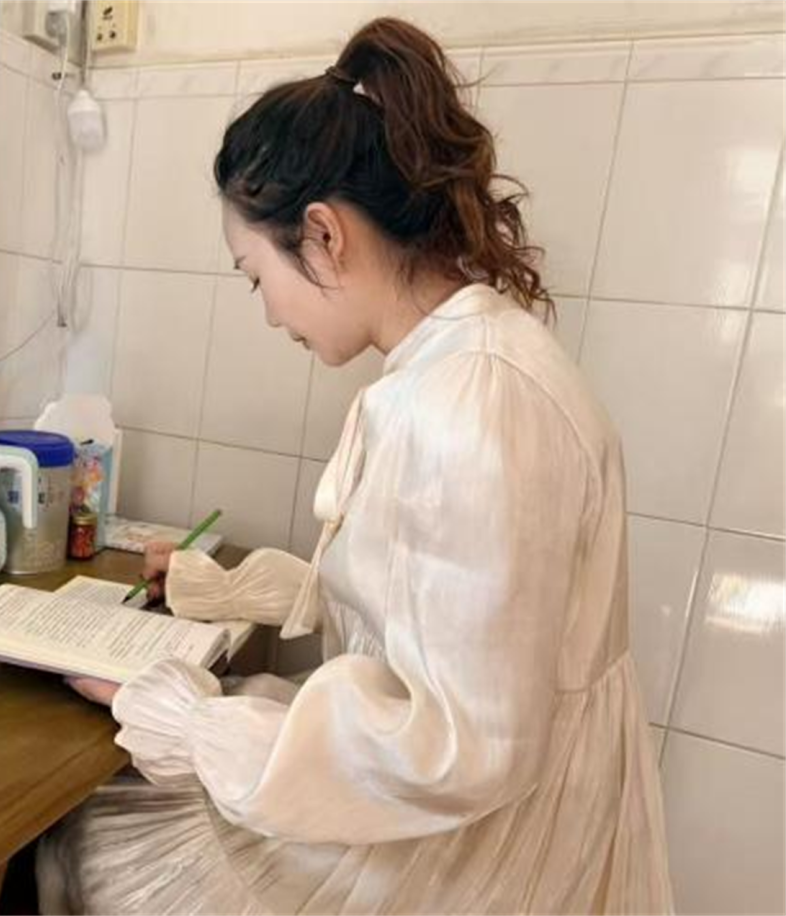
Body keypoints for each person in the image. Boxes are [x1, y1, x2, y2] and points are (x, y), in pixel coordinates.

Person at [37, 16, 673, 915]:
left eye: (256, 276)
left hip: (474, 856)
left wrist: (186, 720)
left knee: (97, 841)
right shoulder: (460, 362)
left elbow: (459, 749)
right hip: (482, 808)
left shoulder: (469, 404)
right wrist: (233, 591)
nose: (269, 313)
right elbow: (427, 606)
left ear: (323, 234)